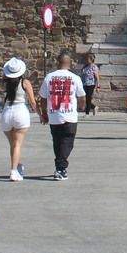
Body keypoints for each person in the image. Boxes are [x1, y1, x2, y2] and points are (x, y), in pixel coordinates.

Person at [39, 52, 86, 181]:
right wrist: (81, 107)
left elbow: (42, 98)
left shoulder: (49, 77)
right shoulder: (75, 78)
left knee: (57, 142)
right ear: (70, 63)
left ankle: (60, 165)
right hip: (70, 115)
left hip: (54, 115)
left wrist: (44, 113)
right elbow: (82, 96)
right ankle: (60, 168)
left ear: (57, 62)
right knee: (67, 142)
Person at [0, 58, 37, 182]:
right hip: (20, 111)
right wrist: (41, 114)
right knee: (17, 144)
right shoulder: (25, 82)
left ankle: (17, 165)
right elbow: (32, 101)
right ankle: (14, 171)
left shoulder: (5, 82)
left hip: (6, 112)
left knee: (13, 144)